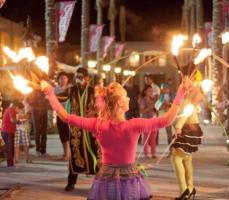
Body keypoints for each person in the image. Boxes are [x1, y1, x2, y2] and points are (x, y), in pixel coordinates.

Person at [40, 75, 191, 200]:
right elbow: (167, 120)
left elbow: (65, 116)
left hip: (106, 180)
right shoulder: (134, 125)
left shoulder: (99, 125)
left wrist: (49, 92)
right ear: (119, 102)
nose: (129, 99)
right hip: (129, 181)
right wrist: (181, 92)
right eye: (126, 97)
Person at [63, 67, 100, 191]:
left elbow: (101, 105)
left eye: (80, 77)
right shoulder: (71, 90)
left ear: (87, 78)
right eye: (76, 77)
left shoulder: (94, 91)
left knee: (96, 153)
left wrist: (94, 112)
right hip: (76, 129)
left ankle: (100, 183)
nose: (78, 79)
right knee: (75, 153)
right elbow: (60, 98)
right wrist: (49, 93)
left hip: (91, 128)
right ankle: (71, 182)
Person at [171, 86, 204, 200]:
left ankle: (184, 190)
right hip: (194, 129)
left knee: (176, 159)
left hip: (187, 130)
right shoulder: (193, 103)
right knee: (187, 160)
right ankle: (190, 188)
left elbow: (184, 116)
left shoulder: (187, 102)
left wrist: (178, 127)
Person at [26, 89, 49, 157]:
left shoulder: (45, 90)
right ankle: (37, 150)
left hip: (44, 112)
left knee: (44, 132)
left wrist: (46, 104)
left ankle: (43, 151)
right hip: (35, 112)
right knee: (37, 132)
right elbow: (27, 99)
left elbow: (50, 99)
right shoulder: (33, 91)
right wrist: (33, 104)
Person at [1, 101, 24, 167]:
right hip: (8, 131)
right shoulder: (11, 110)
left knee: (9, 147)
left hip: (6, 131)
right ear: (16, 107)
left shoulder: (7, 109)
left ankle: (10, 162)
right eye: (19, 109)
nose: (19, 111)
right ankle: (10, 163)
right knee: (10, 148)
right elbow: (12, 120)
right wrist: (18, 121)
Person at [54, 71, 70, 161]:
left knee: (70, 135)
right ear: (58, 80)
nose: (63, 80)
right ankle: (65, 154)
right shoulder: (55, 90)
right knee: (63, 136)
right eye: (61, 78)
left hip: (70, 115)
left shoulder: (71, 89)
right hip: (60, 115)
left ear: (67, 79)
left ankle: (70, 154)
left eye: (64, 78)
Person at [139, 85, 158, 158]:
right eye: (149, 91)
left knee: (153, 137)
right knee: (146, 137)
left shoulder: (153, 99)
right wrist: (150, 106)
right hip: (146, 120)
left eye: (151, 91)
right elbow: (142, 110)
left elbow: (156, 109)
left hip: (153, 120)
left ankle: (153, 153)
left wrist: (157, 105)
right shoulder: (142, 100)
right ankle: (146, 154)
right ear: (145, 92)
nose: (151, 92)